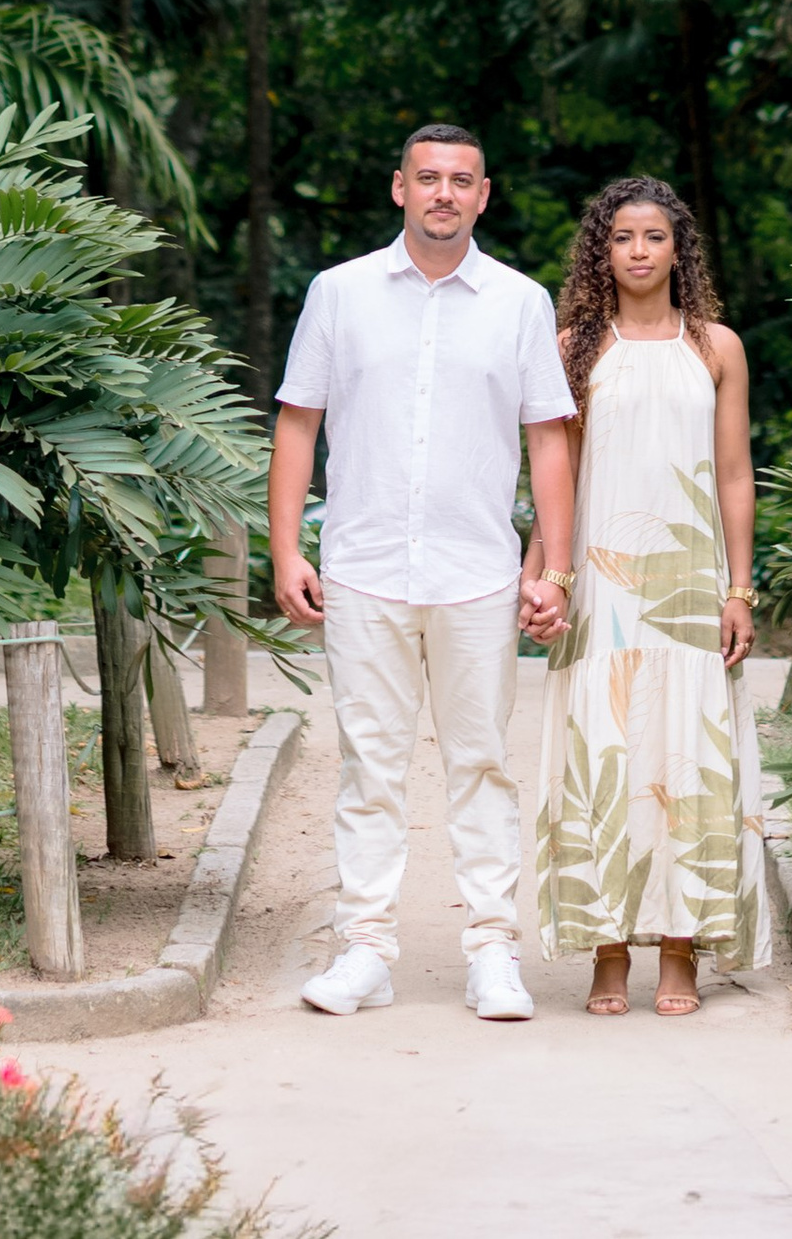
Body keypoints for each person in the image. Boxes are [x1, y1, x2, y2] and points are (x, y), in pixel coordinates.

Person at [270, 119, 577, 1020]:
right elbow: (298, 422)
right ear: (398, 187)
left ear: (485, 194)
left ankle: (492, 950)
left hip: (478, 574)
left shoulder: (521, 301)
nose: (444, 192)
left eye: (462, 179)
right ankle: (365, 948)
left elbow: (549, 443)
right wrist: (288, 549)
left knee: (482, 763)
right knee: (371, 763)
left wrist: (551, 569)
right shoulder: (340, 292)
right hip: (363, 565)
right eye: (428, 176)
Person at [528, 174, 767, 1017]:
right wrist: (542, 574)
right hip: (601, 582)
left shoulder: (717, 347)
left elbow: (735, 472)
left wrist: (739, 586)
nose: (637, 249)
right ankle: (605, 949)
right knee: (604, 754)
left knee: (687, 758)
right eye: (622, 235)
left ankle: (680, 949)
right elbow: (556, 475)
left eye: (654, 235)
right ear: (603, 248)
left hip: (692, 583)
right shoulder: (569, 351)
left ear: (678, 249)